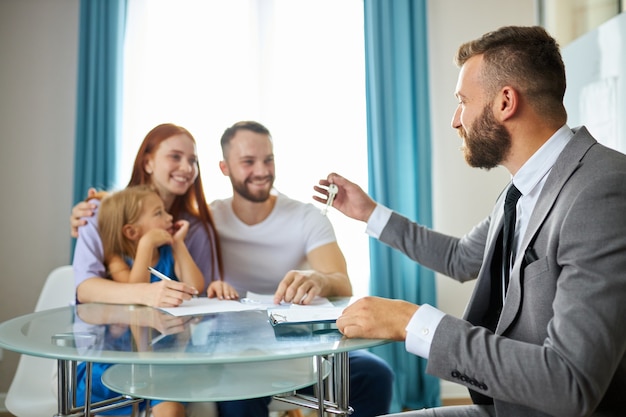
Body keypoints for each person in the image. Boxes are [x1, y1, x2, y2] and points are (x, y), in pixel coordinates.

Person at [313, 26, 626, 416]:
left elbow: (570, 384)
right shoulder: (524, 189)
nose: (455, 120)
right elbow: (461, 258)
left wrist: (413, 322)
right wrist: (368, 213)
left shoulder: (600, 190)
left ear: (505, 102)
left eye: (463, 101)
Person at [210, 121, 394, 417]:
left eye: (268, 159)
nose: (262, 170)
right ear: (224, 168)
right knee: (239, 396)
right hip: (237, 352)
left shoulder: (305, 217)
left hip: (301, 347)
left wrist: (318, 279)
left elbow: (341, 283)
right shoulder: (208, 219)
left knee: (374, 375)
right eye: (248, 162)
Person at [75, 185, 237, 417]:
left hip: (167, 358)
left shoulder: (169, 253)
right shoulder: (117, 260)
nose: (169, 217)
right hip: (123, 360)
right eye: (159, 213)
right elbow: (135, 292)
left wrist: (179, 243)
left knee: (170, 410)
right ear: (132, 232)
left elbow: (196, 285)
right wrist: (145, 246)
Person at [71, 123, 237, 306]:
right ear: (148, 163)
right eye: (175, 156)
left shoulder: (194, 227)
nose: (188, 168)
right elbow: (85, 288)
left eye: (193, 161)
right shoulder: (97, 212)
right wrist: (144, 294)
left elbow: (199, 292)